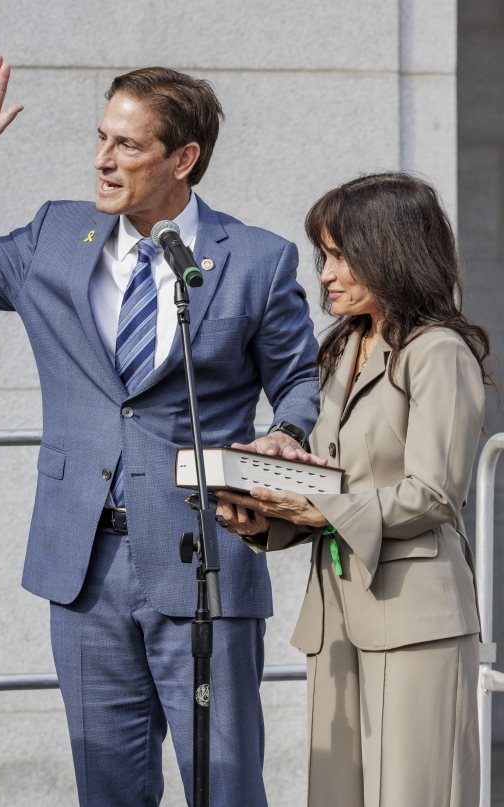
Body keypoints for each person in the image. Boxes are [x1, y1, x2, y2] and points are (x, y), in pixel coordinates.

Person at [0, 57, 321, 806]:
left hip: (206, 563)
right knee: (109, 791)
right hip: (84, 568)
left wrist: (288, 429)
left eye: (127, 145)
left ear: (182, 158)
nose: (102, 159)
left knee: (224, 788)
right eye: (101, 138)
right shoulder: (54, 236)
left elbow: (297, 375)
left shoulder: (257, 259)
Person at [216, 173, 488, 807]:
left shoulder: (437, 352)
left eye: (340, 255)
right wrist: (267, 520)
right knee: (336, 795)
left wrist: (316, 509)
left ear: (390, 252)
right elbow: (336, 482)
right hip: (337, 609)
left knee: (413, 794)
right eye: (324, 256)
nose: (327, 274)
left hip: (415, 611)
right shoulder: (343, 349)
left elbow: (436, 494)